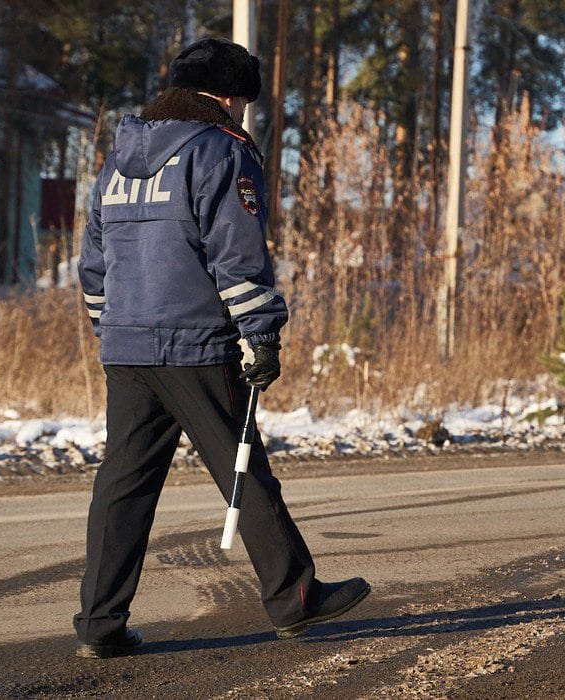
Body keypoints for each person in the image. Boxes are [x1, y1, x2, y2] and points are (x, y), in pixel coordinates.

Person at [74, 37, 370, 658]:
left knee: (123, 485)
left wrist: (111, 325)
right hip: (197, 343)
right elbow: (235, 254)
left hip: (127, 347)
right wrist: (260, 334)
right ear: (230, 96)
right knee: (243, 470)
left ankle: (99, 626)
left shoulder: (119, 157)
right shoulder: (220, 151)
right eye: (242, 102)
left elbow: (95, 258)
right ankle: (294, 599)